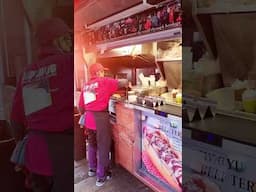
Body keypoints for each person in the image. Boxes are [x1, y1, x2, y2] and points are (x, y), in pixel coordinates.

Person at [10, 18, 73, 192]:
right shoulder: (69, 63)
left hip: (36, 157)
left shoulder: (28, 72)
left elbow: (16, 120)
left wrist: (23, 148)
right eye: (68, 39)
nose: (70, 44)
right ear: (58, 40)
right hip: (64, 155)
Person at [78, 63, 128, 187]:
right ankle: (101, 176)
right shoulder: (104, 81)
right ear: (100, 72)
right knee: (103, 147)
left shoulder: (86, 85)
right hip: (100, 119)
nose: (103, 74)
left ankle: (92, 169)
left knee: (92, 144)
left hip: (89, 119)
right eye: (102, 72)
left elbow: (80, 106)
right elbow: (122, 82)